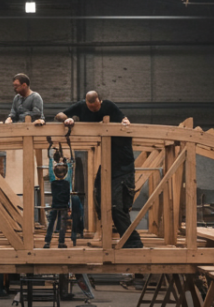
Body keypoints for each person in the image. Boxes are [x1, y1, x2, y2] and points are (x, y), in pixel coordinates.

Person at [55, 91, 143, 248]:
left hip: (123, 164)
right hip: (108, 163)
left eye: (95, 107)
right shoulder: (82, 107)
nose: (93, 110)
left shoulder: (109, 106)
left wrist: (125, 122)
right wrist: (67, 119)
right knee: (99, 195)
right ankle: (110, 235)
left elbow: (124, 120)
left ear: (100, 101)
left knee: (117, 205)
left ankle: (133, 240)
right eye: (90, 107)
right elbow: (59, 115)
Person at [44, 161, 72, 249]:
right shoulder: (67, 183)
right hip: (63, 206)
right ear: (65, 173)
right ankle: (61, 242)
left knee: (51, 224)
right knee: (63, 225)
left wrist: (51, 160)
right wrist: (69, 163)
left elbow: (51, 174)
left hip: (55, 206)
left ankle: (47, 242)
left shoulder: (53, 183)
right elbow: (67, 195)